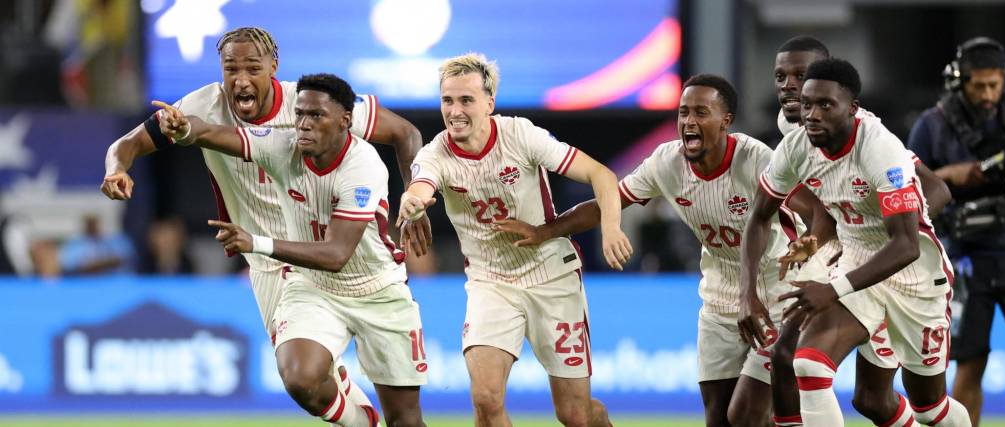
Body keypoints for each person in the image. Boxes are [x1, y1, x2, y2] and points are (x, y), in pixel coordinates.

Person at [100, 27, 428, 418]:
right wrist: (117, 167)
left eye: (252, 68)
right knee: (303, 380)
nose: (241, 79)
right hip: (271, 265)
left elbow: (405, 132)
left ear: (274, 66)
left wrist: (414, 197)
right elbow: (130, 143)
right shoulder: (201, 105)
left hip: (339, 254)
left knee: (400, 413)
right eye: (230, 68)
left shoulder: (309, 107)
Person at [492, 74, 817, 426]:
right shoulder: (667, 163)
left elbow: (813, 209)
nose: (689, 121)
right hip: (718, 298)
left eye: (701, 113)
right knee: (719, 418)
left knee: (747, 415)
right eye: (683, 112)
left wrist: (812, 243)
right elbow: (608, 201)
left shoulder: (756, 160)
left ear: (726, 121)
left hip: (776, 295)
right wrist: (546, 231)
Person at [396, 53, 631, 427]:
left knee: (575, 415)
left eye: (466, 100)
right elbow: (422, 184)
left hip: (552, 277)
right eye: (447, 100)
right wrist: (414, 201)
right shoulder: (435, 153)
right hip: (491, 284)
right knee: (485, 399)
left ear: (490, 103)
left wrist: (612, 227)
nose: (454, 111)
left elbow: (600, 175)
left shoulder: (522, 135)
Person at [739, 58, 971, 426]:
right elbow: (758, 216)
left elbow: (907, 245)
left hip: (915, 275)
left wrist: (832, 290)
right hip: (857, 260)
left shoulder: (882, 150)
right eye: (808, 104)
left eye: (825, 105)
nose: (812, 114)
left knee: (930, 408)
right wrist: (747, 293)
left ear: (853, 109)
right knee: (808, 364)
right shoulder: (796, 147)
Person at [907, 36, 1005, 426]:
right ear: (960, 81)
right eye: (979, 85)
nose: (989, 93)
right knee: (970, 363)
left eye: (995, 84)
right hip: (963, 257)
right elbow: (903, 186)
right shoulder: (932, 125)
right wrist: (948, 177)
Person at [59, 214, 135, 275]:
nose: (93, 226)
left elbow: (125, 258)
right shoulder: (75, 244)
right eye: (90, 223)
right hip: (85, 285)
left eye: (95, 223)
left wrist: (96, 265)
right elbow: (70, 265)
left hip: (114, 283)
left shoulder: (115, 241)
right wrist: (105, 263)